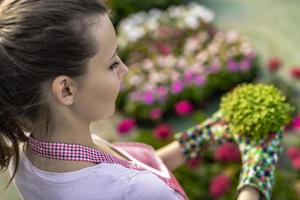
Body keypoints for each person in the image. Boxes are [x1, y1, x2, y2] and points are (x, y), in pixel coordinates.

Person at [0, 0, 282, 199]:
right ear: (66, 90)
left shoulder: (24, 149)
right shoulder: (139, 191)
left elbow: (129, 174)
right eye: (111, 63)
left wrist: (201, 137)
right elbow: (134, 187)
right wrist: (256, 178)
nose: (124, 68)